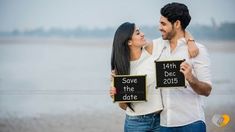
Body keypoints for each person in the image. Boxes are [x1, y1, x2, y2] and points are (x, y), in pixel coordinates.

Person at [110, 22, 198, 132]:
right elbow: (124, 107)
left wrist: (191, 42)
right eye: (137, 33)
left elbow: (177, 33)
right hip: (135, 123)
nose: (142, 34)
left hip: (159, 120)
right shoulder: (119, 69)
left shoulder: (152, 50)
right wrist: (118, 96)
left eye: (140, 31)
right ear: (129, 41)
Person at [153, 2, 212, 132]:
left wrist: (191, 78)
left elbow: (207, 90)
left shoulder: (198, 50)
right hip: (164, 124)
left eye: (163, 24)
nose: (159, 27)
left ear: (177, 24)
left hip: (191, 122)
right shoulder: (158, 47)